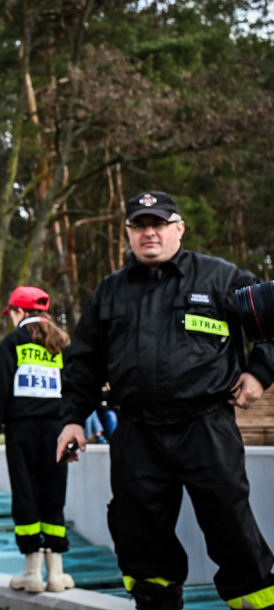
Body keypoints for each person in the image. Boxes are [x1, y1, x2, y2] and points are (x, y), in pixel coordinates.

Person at [56, 191, 274, 610]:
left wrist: (259, 373)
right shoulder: (110, 291)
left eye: (158, 223)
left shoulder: (221, 277)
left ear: (179, 228)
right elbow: (83, 361)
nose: (149, 232)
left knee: (232, 528)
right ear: (128, 233)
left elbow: (273, 323)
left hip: (206, 426)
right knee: (140, 535)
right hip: (137, 431)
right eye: (139, 225)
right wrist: (72, 419)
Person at [0, 286, 75, 594]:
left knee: (26, 494)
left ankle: (32, 573)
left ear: (18, 312)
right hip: (59, 431)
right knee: (54, 494)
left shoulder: (13, 343)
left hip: (22, 433)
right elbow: (76, 389)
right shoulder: (62, 344)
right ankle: (56, 574)